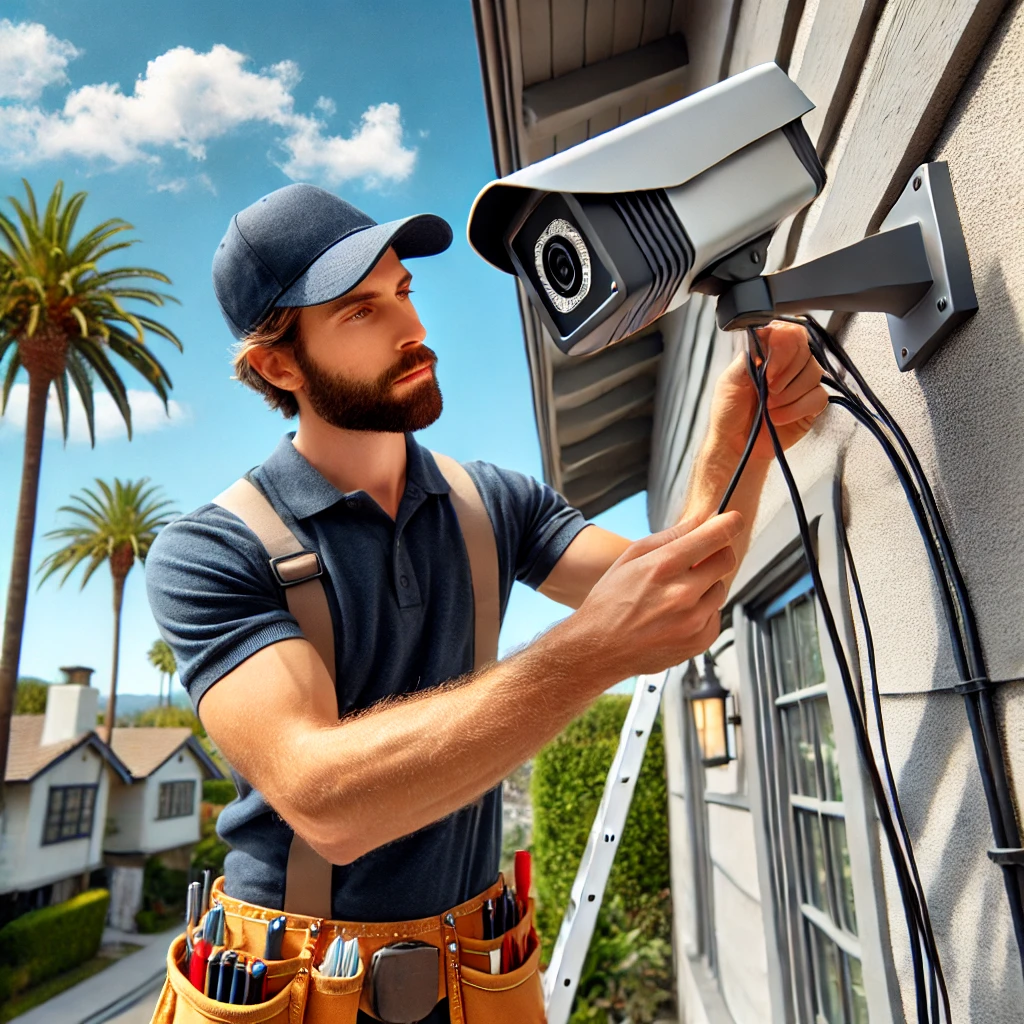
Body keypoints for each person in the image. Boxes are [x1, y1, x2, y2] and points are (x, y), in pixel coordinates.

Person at [146, 183, 827, 1023]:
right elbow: (327, 801)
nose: (413, 329)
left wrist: (739, 434)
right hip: (292, 991)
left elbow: (675, 597)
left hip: (479, 979)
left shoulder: (494, 503)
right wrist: (591, 652)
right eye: (362, 311)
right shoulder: (212, 550)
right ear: (278, 365)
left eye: (403, 293)